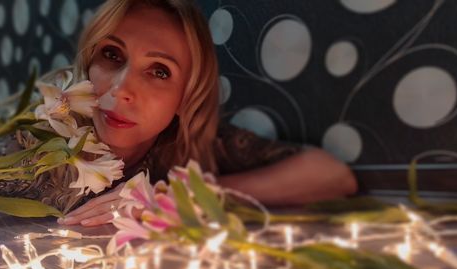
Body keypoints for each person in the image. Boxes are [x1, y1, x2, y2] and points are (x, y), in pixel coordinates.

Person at [55, 0, 356, 226]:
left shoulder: (194, 147)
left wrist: (182, 197)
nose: (120, 90)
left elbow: (334, 176)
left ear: (186, 97)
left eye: (159, 72)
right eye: (111, 55)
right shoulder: (38, 137)